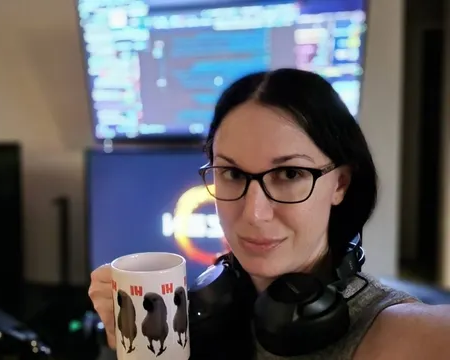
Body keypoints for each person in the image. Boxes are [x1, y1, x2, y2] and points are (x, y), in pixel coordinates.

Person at [88, 68, 450, 359]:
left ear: (340, 184)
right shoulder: (197, 318)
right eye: (231, 173)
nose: (255, 213)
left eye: (290, 174)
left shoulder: (398, 331)